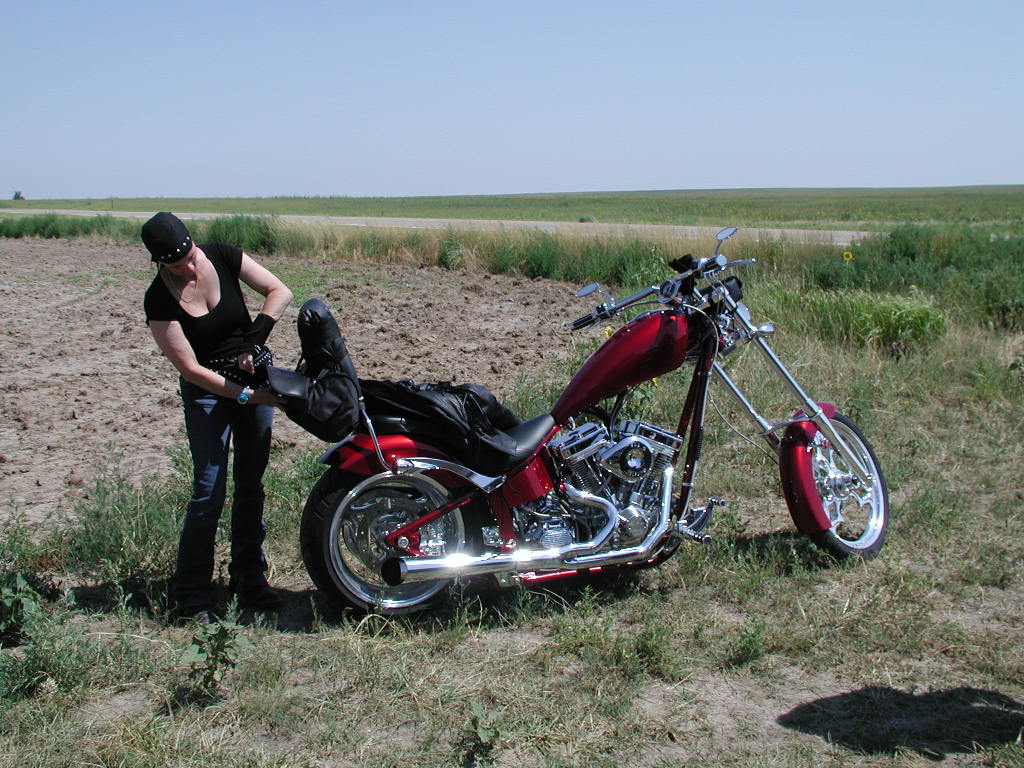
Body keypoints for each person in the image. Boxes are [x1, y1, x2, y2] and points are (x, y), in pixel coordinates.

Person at [142, 212, 293, 621]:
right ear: (160, 262)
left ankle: (249, 579)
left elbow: (279, 291)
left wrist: (253, 340)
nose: (191, 267)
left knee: (251, 485)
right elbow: (191, 370)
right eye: (179, 265)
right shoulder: (159, 300)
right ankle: (191, 594)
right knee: (208, 491)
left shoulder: (223, 255)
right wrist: (249, 397)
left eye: (191, 255)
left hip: (252, 380)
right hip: (208, 394)